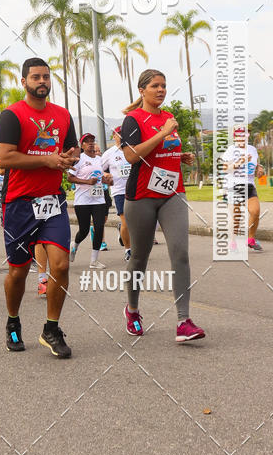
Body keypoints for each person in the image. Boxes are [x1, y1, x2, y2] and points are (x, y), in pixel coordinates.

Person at [0, 57, 79, 358]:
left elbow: (72, 147)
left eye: (46, 77)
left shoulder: (62, 114)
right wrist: (45, 160)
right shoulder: (12, 115)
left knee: (61, 264)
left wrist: (70, 157)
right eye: (35, 77)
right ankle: (13, 321)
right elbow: (4, 158)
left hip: (52, 200)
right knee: (18, 272)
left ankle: (51, 328)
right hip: (19, 203)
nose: (42, 81)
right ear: (24, 82)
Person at [120, 69, 205, 343]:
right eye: (155, 86)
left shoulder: (169, 118)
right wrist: (163, 134)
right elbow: (132, 156)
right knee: (139, 258)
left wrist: (180, 155)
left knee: (180, 253)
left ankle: (184, 321)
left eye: (164, 86)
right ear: (142, 90)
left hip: (173, 194)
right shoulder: (132, 120)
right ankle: (132, 310)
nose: (161, 90)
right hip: (142, 196)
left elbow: (163, 152)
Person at [68, 134, 112, 268]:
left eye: (92, 141)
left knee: (99, 227)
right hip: (82, 200)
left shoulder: (99, 159)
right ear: (82, 146)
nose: (90, 143)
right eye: (87, 142)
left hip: (98, 199)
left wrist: (107, 181)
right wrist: (87, 182)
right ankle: (74, 245)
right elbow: (70, 178)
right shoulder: (79, 159)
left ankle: (94, 260)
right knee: (84, 230)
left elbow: (102, 176)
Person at [222, 133, 266, 251]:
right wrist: (241, 161)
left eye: (244, 134)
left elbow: (256, 165)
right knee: (236, 217)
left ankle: (250, 240)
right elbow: (225, 168)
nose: (242, 137)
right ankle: (232, 241)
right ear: (235, 137)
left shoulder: (252, 149)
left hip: (249, 185)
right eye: (239, 135)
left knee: (255, 211)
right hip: (233, 186)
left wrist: (260, 169)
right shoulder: (231, 150)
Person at [101, 126, 132, 260]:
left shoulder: (133, 149)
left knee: (137, 221)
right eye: (118, 134)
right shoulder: (109, 153)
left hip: (135, 189)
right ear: (114, 136)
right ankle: (128, 250)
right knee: (126, 222)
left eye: (123, 133)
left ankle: (125, 234)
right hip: (119, 191)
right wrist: (106, 174)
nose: (121, 135)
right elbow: (99, 170)